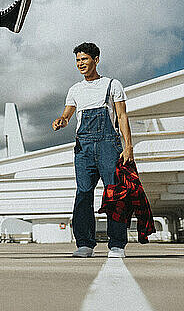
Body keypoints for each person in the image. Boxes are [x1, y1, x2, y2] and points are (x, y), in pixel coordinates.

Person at [52, 42, 134, 258]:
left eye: (85, 59)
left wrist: (128, 147)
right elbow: (68, 114)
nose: (81, 63)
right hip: (84, 148)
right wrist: (61, 120)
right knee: (83, 194)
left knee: (114, 193)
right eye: (78, 60)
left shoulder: (112, 85)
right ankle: (85, 244)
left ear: (96, 60)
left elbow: (122, 116)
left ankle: (117, 245)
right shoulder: (75, 90)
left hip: (109, 144)